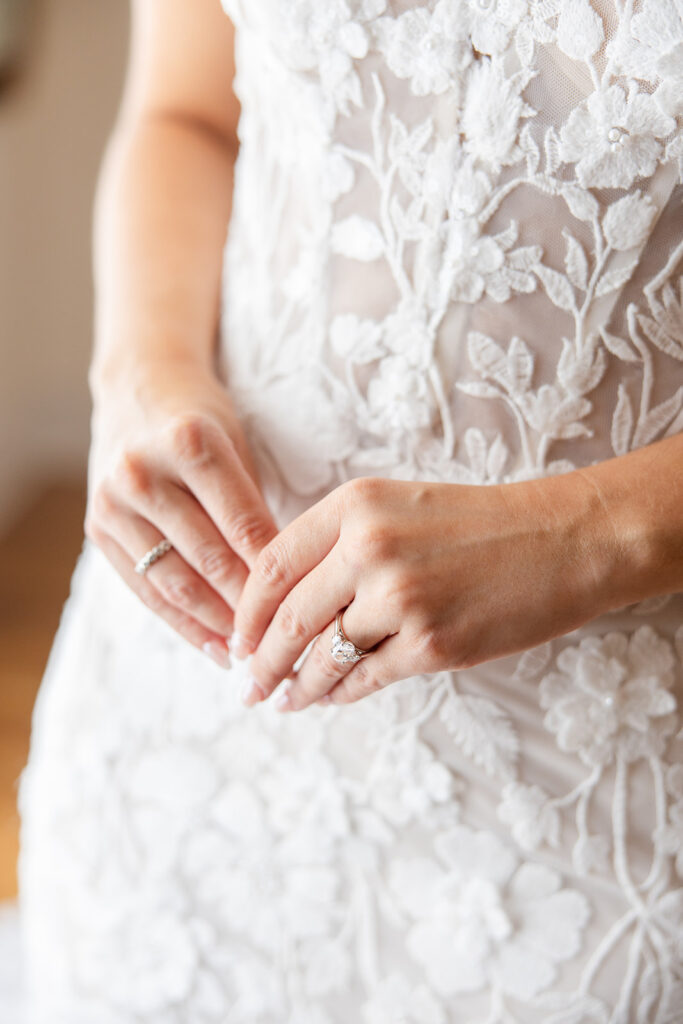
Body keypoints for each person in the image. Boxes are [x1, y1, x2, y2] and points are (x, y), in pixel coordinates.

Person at [17, 0, 683, 1020]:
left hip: (591, 818)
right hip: (186, 719)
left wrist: (589, 533)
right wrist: (142, 376)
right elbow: (187, 112)